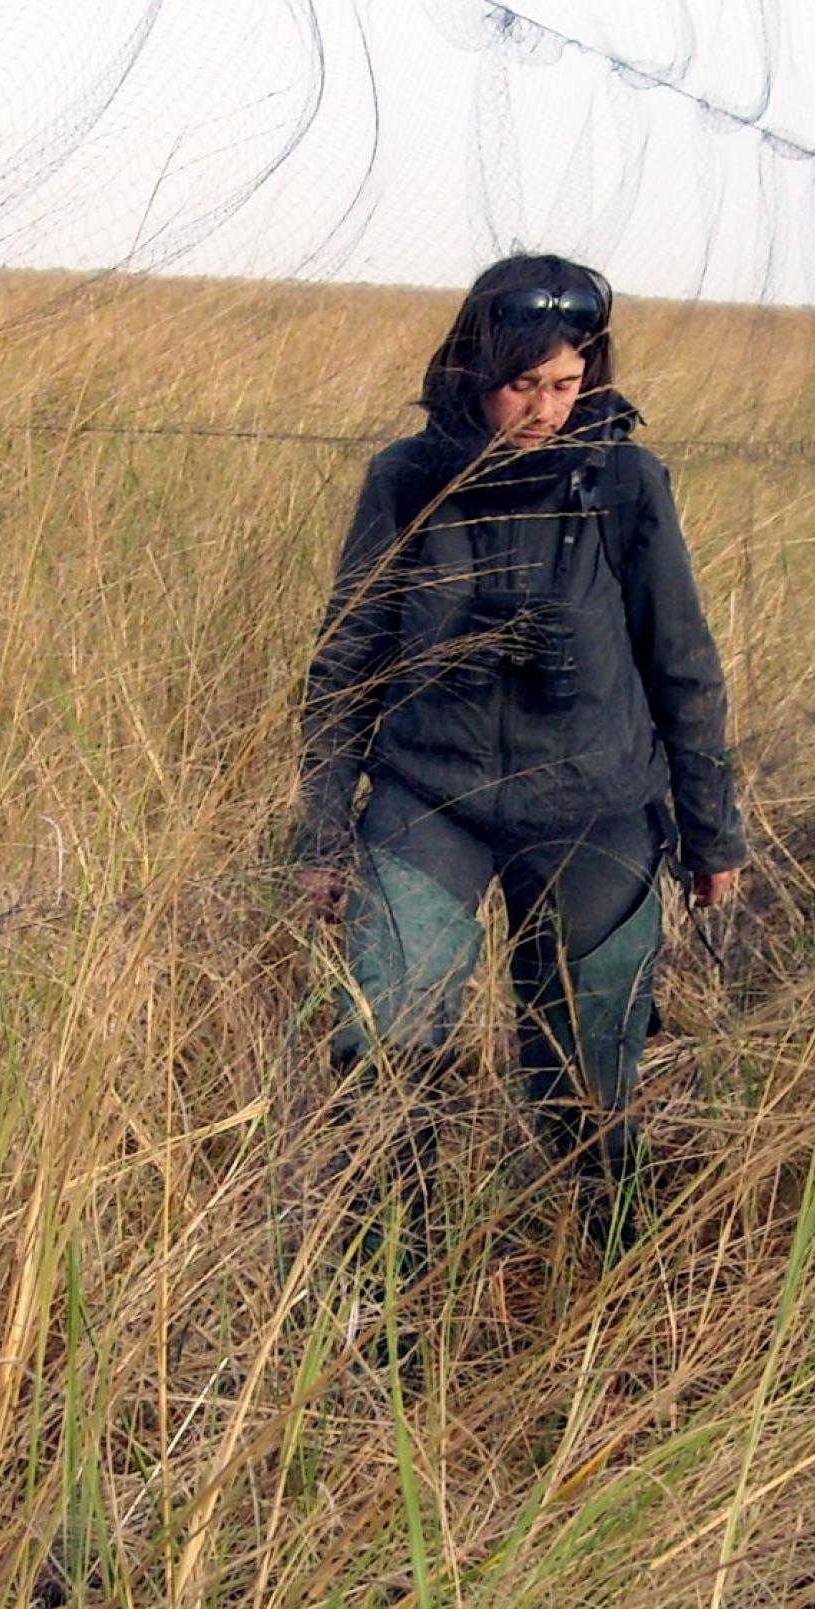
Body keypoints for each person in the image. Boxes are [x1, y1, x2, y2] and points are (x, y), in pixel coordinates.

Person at [294, 253, 746, 1261]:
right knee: (385, 1044)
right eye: (521, 383)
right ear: (472, 368)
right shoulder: (407, 477)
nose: (543, 408)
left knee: (589, 1059)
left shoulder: (628, 482)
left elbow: (681, 660)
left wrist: (710, 831)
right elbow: (348, 659)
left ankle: (609, 1257)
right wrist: (321, 838)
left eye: (565, 383)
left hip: (593, 802)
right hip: (429, 799)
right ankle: (387, 1286)